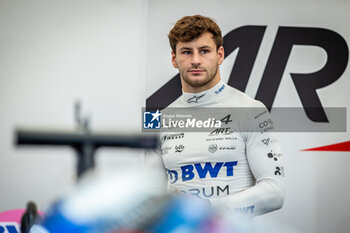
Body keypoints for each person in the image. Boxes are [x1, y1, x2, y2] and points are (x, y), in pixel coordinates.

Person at [145, 15, 285, 216]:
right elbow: (149, 194)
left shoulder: (252, 110)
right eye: (186, 52)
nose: (195, 60)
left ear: (220, 55)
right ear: (174, 59)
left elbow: (275, 192)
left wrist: (207, 208)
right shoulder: (157, 119)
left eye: (204, 51)